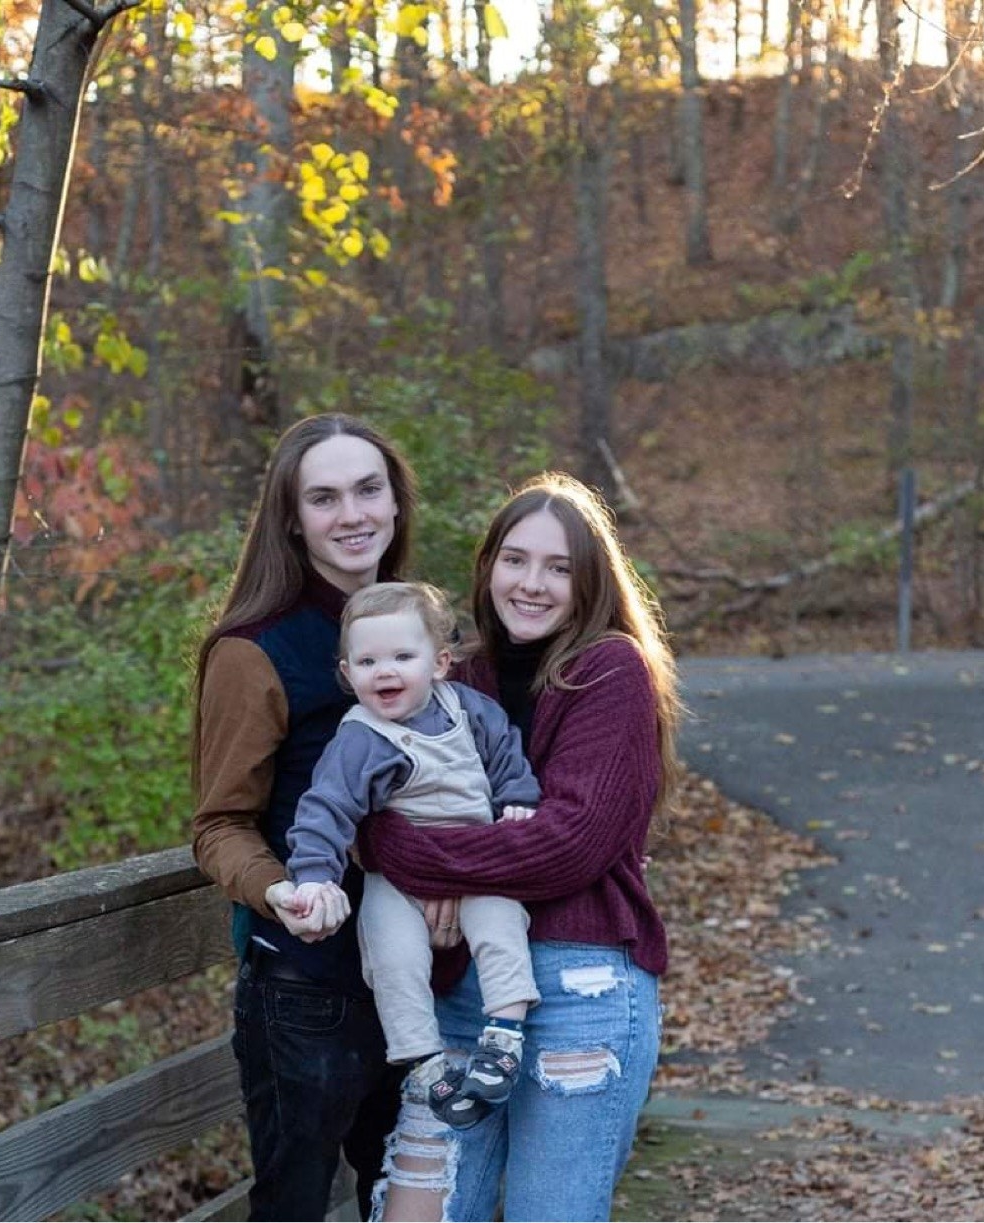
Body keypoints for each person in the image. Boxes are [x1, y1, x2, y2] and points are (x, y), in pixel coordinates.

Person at [357, 471, 683, 1223]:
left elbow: (568, 843)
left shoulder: (610, 671)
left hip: (581, 994)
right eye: (515, 559)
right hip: (459, 1001)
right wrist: (400, 841)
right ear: (487, 567)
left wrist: (418, 858)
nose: (531, 583)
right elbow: (367, 803)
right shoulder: (450, 672)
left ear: (589, 581)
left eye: (559, 567)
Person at [191, 414, 418, 1222]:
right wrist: (278, 889)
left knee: (418, 1199)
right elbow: (219, 823)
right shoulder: (255, 651)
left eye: (368, 489)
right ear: (292, 517)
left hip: (424, 981)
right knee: (294, 1208)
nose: (352, 513)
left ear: (395, 502)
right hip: (308, 989)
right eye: (324, 497)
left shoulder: (414, 632)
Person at [285, 581, 542, 1130]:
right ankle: (424, 1062)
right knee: (391, 953)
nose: (385, 671)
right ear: (347, 671)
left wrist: (519, 798)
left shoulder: (471, 710)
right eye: (368, 660)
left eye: (403, 656)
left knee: (501, 925)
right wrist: (313, 877)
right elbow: (325, 809)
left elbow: (506, 756)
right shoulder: (360, 739)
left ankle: (504, 1037)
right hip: (397, 882)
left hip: (477, 860)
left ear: (441, 662)